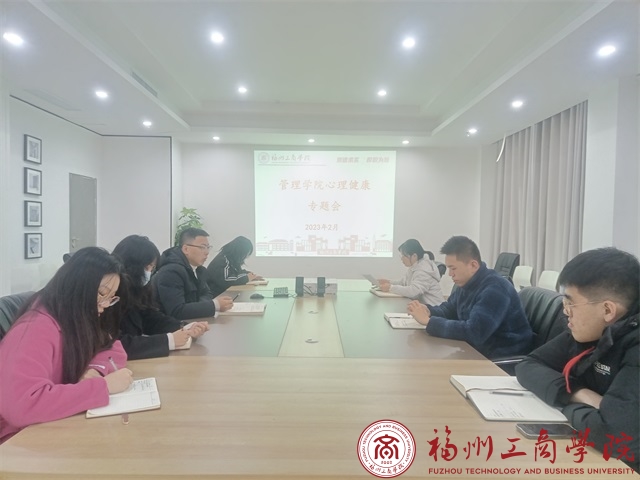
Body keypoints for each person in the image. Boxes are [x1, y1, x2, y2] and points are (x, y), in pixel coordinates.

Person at [516, 248, 639, 472]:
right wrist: (576, 393)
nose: (566, 313)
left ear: (607, 310)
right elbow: (528, 365)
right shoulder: (590, 330)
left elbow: (616, 436)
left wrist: (565, 405)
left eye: (571, 304)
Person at [0, 247, 134, 443]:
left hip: (53, 424)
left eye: (111, 297)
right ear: (76, 287)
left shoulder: (76, 316)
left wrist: (95, 370)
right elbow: (21, 407)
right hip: (18, 439)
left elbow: (111, 346)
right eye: (101, 294)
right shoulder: (35, 329)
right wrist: (103, 387)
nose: (105, 304)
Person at [407, 235, 532, 359]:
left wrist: (429, 322)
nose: (450, 274)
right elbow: (449, 310)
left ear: (473, 265)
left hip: (500, 358)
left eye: (453, 268)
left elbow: (474, 332)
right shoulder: (467, 283)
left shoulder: (495, 289)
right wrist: (428, 311)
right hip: (477, 351)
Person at [112, 235, 209, 360]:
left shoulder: (137, 288)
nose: (148, 273)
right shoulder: (111, 295)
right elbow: (116, 344)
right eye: (146, 267)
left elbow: (149, 318)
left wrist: (183, 327)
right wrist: (168, 341)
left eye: (152, 268)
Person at [153, 228, 234, 320]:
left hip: (192, 322)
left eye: (208, 247)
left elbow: (207, 293)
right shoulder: (171, 272)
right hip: (170, 326)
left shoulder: (199, 270)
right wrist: (215, 305)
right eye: (202, 247)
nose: (207, 252)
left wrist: (202, 305)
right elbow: (177, 311)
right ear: (186, 249)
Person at [377, 239, 445, 306]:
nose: (401, 258)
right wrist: (389, 282)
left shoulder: (423, 270)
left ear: (414, 256)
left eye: (403, 256)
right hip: (424, 307)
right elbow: (403, 283)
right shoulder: (415, 266)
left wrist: (390, 288)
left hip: (434, 308)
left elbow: (414, 291)